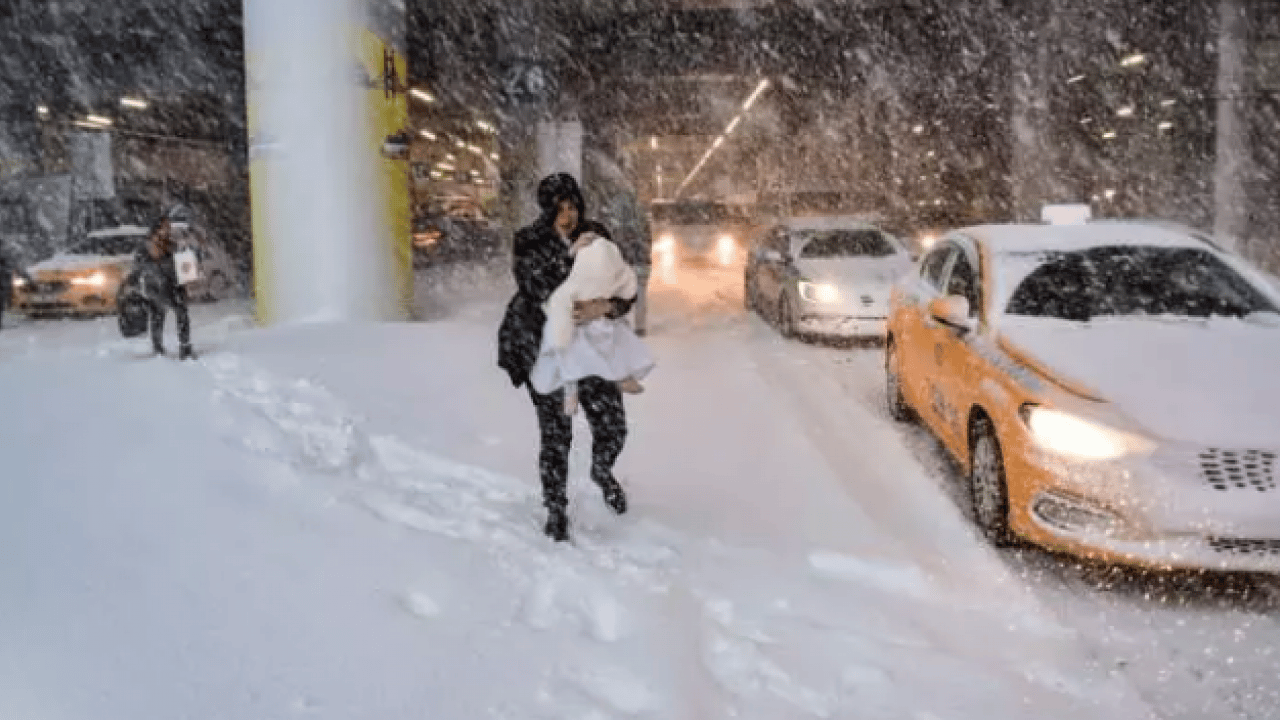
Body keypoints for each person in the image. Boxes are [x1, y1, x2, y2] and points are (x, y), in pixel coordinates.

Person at [498, 173, 636, 543]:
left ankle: (602, 471)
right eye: (559, 209)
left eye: (572, 207)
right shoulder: (529, 240)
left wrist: (605, 306)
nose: (567, 216)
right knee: (556, 435)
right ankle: (555, 508)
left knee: (613, 426)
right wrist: (568, 256)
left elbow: (623, 284)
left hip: (592, 350)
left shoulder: (596, 234)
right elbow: (533, 286)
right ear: (546, 210)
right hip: (547, 350)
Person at [528, 229, 655, 417]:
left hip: (601, 320)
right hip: (572, 325)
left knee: (613, 339)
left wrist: (606, 307)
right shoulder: (561, 266)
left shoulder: (607, 254)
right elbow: (541, 287)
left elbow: (627, 295)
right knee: (569, 350)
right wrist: (568, 257)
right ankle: (572, 390)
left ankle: (619, 375)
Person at [123, 217, 195, 359]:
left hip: (170, 285)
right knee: (166, 315)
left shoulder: (170, 244)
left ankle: (173, 347)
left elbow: (182, 265)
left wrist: (185, 265)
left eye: (168, 226)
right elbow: (140, 267)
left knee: (168, 315)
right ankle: (174, 347)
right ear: (157, 229)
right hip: (159, 285)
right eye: (165, 227)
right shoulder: (148, 246)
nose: (168, 229)